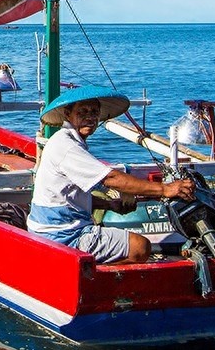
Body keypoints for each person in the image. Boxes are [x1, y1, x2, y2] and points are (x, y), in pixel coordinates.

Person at [27, 85, 195, 264]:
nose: (90, 117)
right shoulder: (66, 146)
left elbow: (69, 198)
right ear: (68, 114)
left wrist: (109, 205)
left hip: (50, 228)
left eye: (94, 112)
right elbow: (111, 178)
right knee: (140, 247)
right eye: (83, 112)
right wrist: (165, 189)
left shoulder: (67, 141)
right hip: (61, 235)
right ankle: (86, 271)